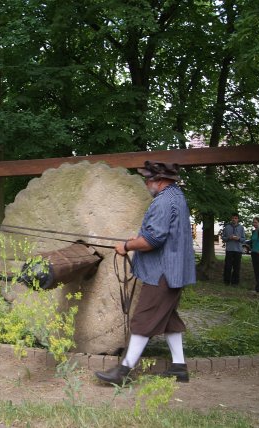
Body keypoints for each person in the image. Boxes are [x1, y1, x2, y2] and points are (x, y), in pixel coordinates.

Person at [94, 161, 196, 385]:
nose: (146, 183)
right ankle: (179, 367)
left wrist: (127, 246)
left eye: (149, 179)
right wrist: (134, 241)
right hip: (174, 270)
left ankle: (123, 371)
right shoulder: (176, 196)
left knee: (143, 319)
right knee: (169, 319)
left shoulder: (163, 202)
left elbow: (153, 240)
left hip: (163, 272)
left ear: (160, 180)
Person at [222, 213, 246, 286]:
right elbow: (223, 238)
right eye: (233, 218)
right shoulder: (227, 227)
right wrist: (229, 238)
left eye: (235, 218)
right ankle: (226, 281)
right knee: (227, 266)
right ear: (231, 219)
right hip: (229, 250)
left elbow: (244, 239)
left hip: (238, 250)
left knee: (236, 267)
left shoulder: (241, 228)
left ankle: (235, 282)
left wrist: (238, 238)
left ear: (238, 219)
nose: (234, 219)